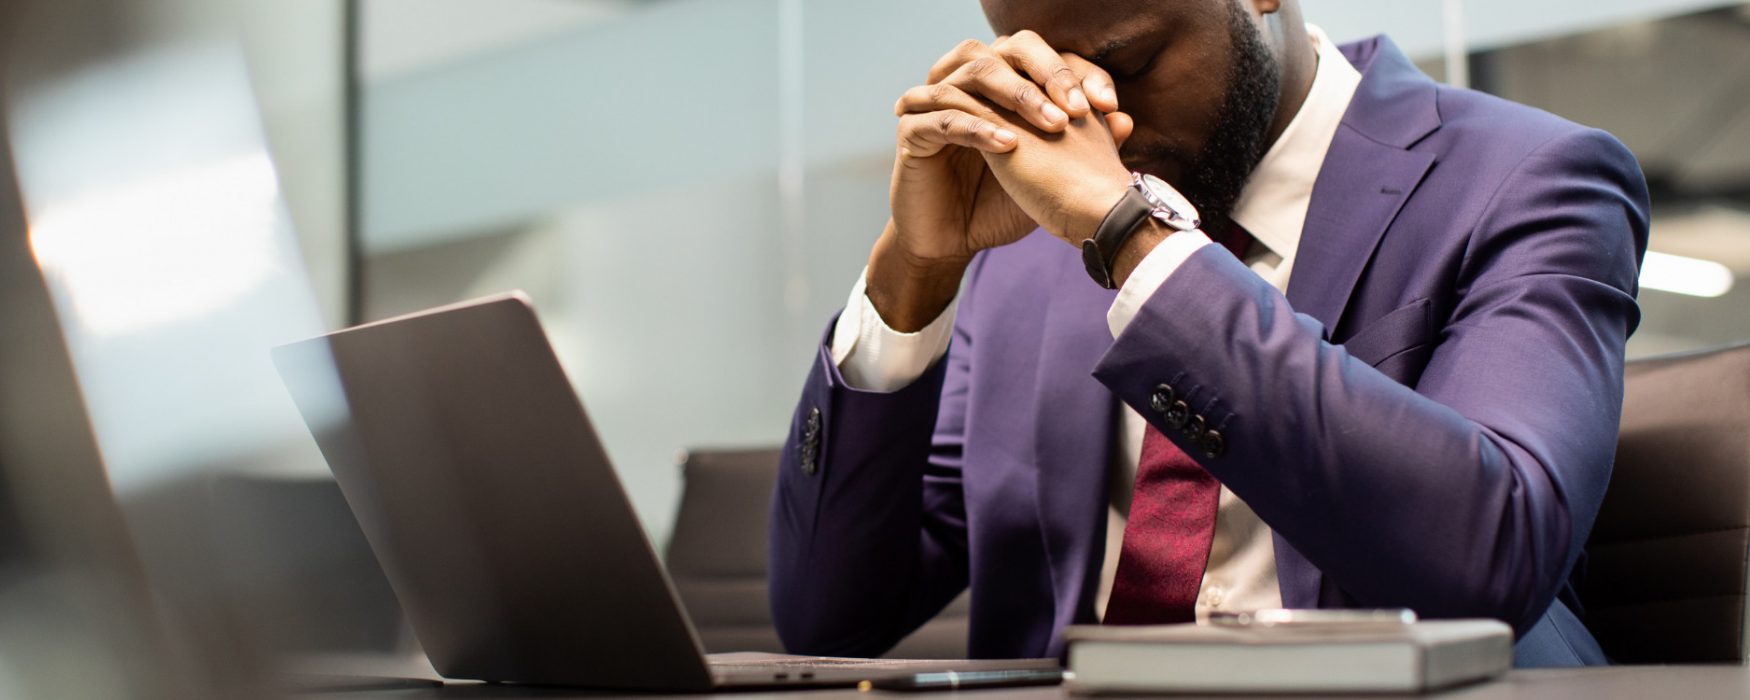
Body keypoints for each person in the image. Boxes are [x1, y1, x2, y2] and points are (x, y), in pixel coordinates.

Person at [768, 0, 1648, 668]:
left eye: (1130, 60)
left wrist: (1132, 240)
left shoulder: (1531, 178)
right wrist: (915, 270)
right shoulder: (1030, 243)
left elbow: (1492, 554)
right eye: (1048, 76)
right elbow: (831, 618)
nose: (1089, 116)